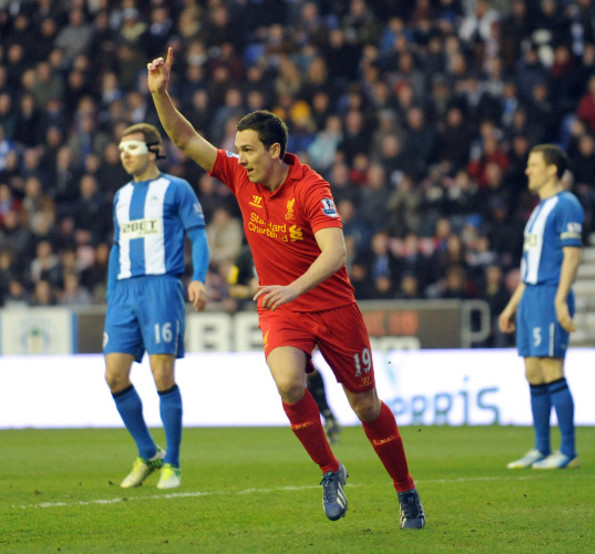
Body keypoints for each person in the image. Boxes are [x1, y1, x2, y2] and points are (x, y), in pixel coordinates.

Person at [148, 48, 424, 529]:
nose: (240, 157)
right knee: (289, 382)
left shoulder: (311, 188)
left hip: (332, 306)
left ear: (275, 150)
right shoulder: (238, 176)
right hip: (283, 309)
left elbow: (335, 253)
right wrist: (160, 94)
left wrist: (293, 288)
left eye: (249, 149)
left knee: (366, 405)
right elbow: (184, 137)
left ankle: (406, 491)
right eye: (238, 148)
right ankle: (330, 469)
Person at [103, 122, 209, 490]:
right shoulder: (119, 196)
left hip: (162, 287)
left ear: (152, 150)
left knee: (162, 375)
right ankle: (149, 452)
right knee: (114, 376)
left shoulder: (176, 189)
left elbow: (198, 234)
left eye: (130, 148)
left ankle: (174, 464)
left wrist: (199, 278)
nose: (124, 155)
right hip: (125, 293)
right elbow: (117, 247)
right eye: (120, 150)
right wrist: (110, 293)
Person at [498, 144, 584, 470]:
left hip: (550, 294)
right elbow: (529, 266)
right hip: (531, 296)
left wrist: (561, 299)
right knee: (532, 371)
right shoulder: (538, 210)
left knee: (552, 369)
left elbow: (572, 257)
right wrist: (510, 307)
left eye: (534, 165)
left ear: (552, 169)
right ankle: (541, 448)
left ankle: (569, 451)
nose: (527, 170)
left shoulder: (567, 205)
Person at [227, 243, 342, 444]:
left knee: (306, 368)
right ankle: (323, 419)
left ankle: (326, 415)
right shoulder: (245, 255)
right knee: (291, 374)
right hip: (269, 317)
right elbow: (233, 288)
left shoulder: (285, 245)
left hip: (297, 310)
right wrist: (250, 290)